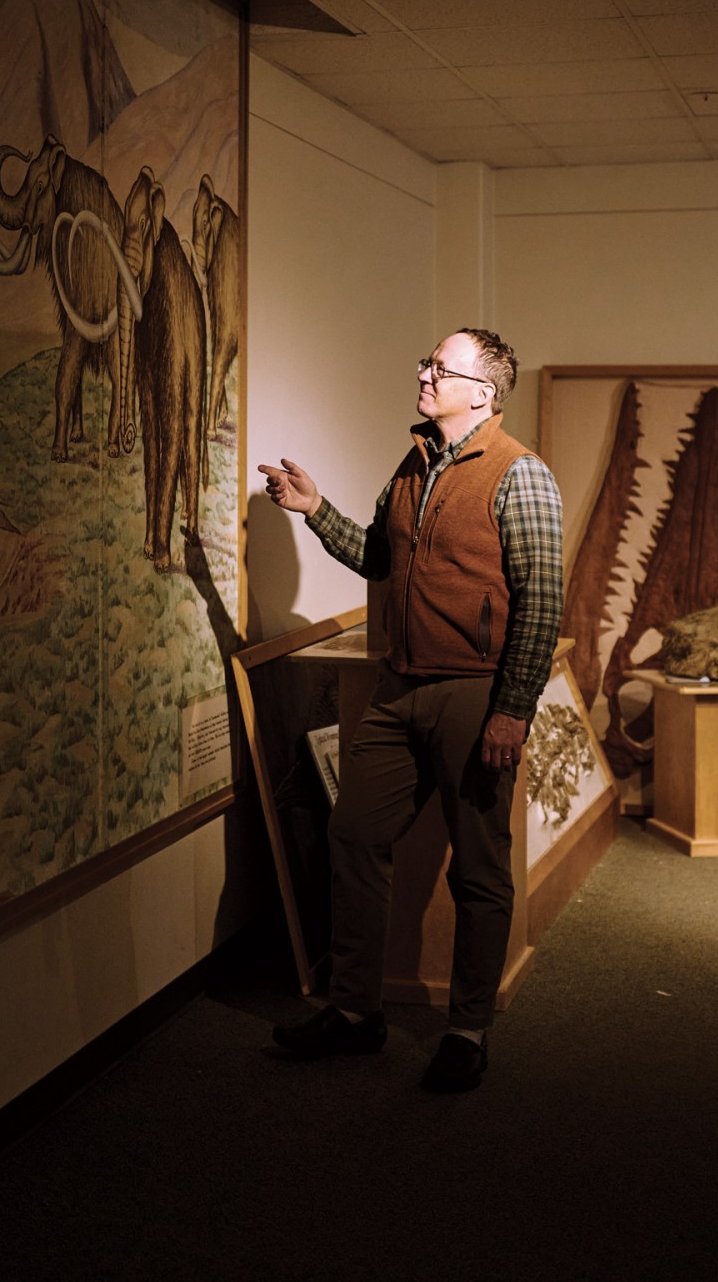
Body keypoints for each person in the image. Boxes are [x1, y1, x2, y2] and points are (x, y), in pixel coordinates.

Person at [258, 328, 563, 1092]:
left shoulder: (520, 475)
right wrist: (314, 508)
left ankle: (466, 1029)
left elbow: (542, 603)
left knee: (480, 867)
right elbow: (378, 559)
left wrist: (512, 710)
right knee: (354, 834)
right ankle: (356, 1013)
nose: (424, 374)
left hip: (475, 693)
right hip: (400, 688)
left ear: (483, 393)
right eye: (426, 362)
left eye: (440, 367)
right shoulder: (414, 461)